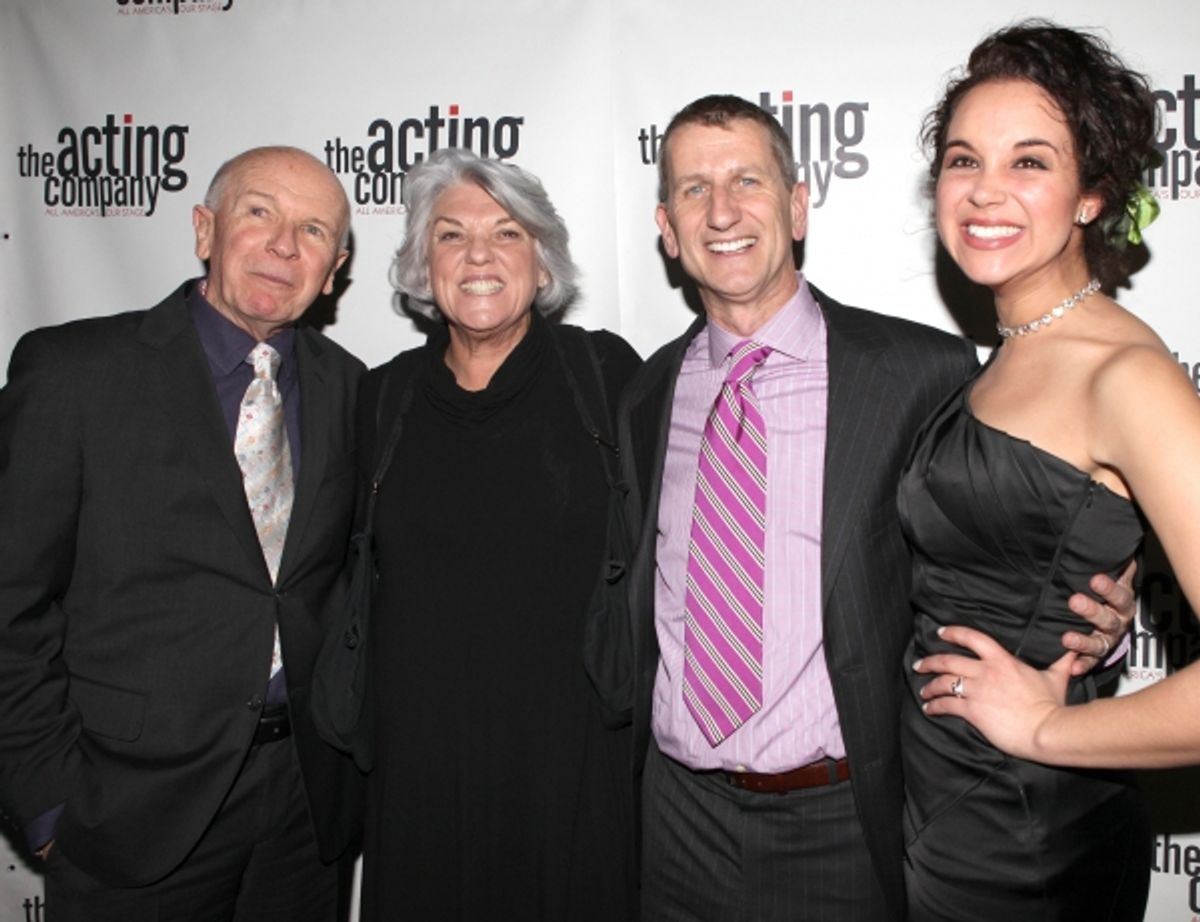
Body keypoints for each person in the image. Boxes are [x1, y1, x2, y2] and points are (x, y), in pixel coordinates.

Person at [618, 93, 1139, 922]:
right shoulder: (645, 394)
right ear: (667, 227)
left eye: (748, 180)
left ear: (796, 209)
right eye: (693, 189)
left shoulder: (919, 372)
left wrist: (1085, 627)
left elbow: (1003, 538)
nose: (722, 210)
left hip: (845, 823)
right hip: (676, 823)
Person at [0, 146, 365, 920]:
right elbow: (9, 602)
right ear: (205, 228)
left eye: (312, 232)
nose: (282, 245)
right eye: (259, 213)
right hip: (125, 809)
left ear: (332, 271)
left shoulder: (353, 390)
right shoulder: (74, 372)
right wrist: (47, 803)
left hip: (304, 806)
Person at [899, 21, 1173, 921]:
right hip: (947, 813)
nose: (985, 192)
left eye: (1030, 163)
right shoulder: (1011, 350)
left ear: (1091, 195)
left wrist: (1053, 726)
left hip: (1030, 847)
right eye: (963, 158)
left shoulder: (1123, 375)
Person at [356, 148, 641, 921]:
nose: (478, 254)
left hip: (573, 761)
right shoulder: (379, 401)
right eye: (450, 235)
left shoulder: (605, 376)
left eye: (506, 233)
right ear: (423, 264)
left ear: (542, 262)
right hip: (419, 772)